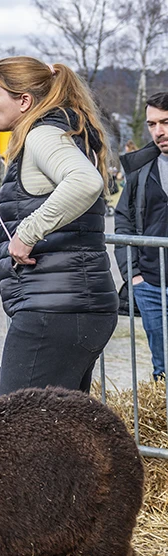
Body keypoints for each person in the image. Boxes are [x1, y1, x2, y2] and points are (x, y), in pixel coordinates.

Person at [0, 56, 117, 556]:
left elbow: (84, 183)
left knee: (8, 446)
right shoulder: (59, 129)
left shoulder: (42, 134)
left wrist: (28, 233)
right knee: (59, 448)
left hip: (55, 315)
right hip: (77, 308)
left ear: (24, 100)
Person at [115, 91, 168, 381]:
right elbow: (122, 220)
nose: (158, 131)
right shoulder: (140, 168)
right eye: (152, 124)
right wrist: (132, 273)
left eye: (166, 122)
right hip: (151, 285)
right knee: (163, 369)